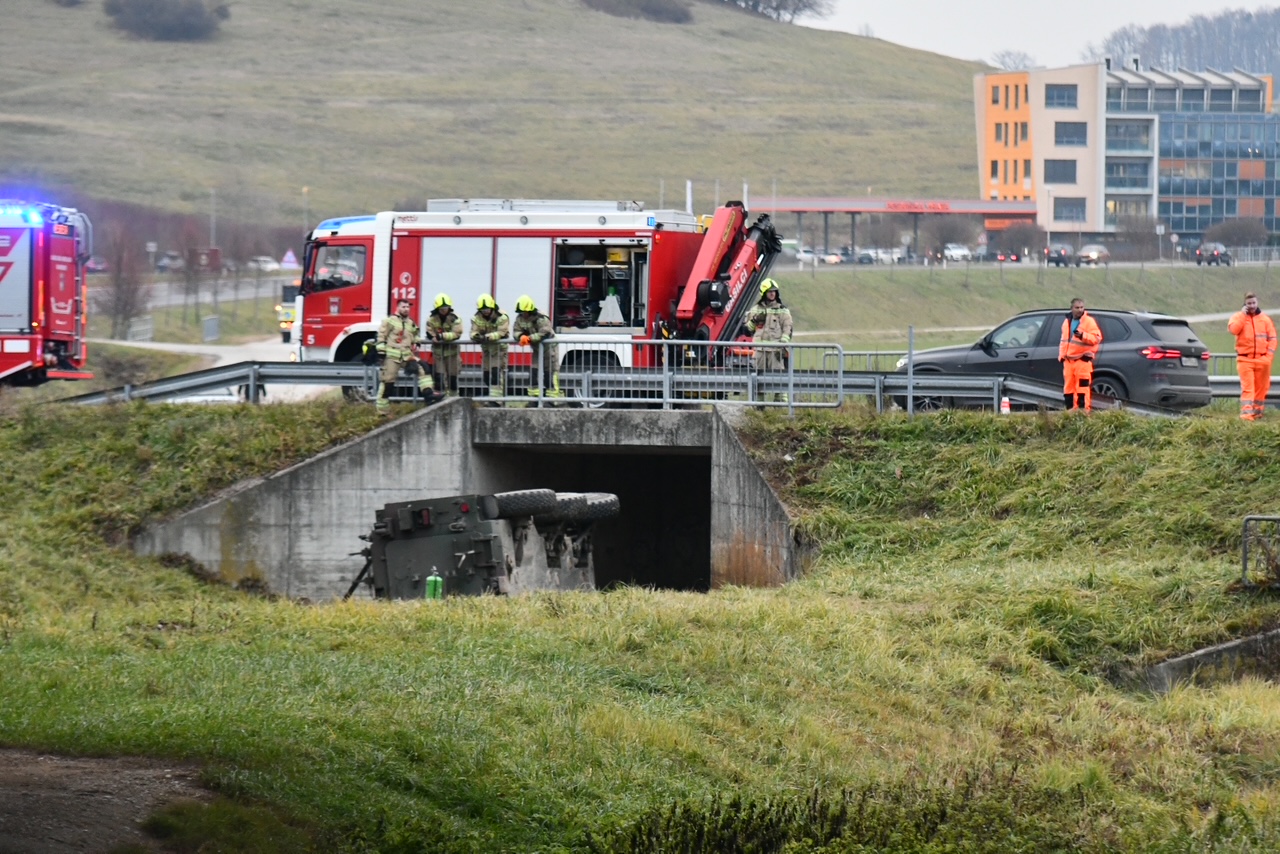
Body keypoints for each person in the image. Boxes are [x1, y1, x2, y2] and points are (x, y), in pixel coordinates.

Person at [371, 299, 442, 416]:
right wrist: (381, 352)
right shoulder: (390, 320)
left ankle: (429, 395)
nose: (406, 309)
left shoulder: (410, 323)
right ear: (398, 308)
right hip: (392, 357)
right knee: (387, 383)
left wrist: (417, 342)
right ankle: (382, 412)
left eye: (408, 307)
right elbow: (381, 336)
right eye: (403, 307)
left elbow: (415, 335)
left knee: (423, 368)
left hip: (407, 356)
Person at [1227, 291, 1277, 421]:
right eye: (1249, 303)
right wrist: (1243, 316)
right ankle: (1246, 415)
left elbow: (1273, 338)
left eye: (1254, 303)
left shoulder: (1265, 319)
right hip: (1245, 359)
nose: (1252, 306)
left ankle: (1257, 413)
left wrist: (1268, 357)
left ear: (1257, 302)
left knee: (1262, 388)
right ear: (1245, 304)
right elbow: (1233, 330)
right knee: (1248, 389)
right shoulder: (1238, 317)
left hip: (1262, 359)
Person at [745, 278, 793, 401]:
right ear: (764, 293)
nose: (772, 293)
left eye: (774, 291)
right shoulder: (755, 309)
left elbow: (788, 328)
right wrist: (755, 320)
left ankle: (781, 406)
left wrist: (783, 345)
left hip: (775, 351)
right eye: (770, 291)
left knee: (779, 379)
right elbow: (748, 329)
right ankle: (759, 407)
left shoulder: (782, 310)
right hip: (759, 351)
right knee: (758, 380)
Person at [512, 295, 560, 398]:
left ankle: (552, 399)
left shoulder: (541, 318)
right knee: (534, 372)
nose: (523, 314)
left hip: (549, 348)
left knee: (549, 373)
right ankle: (534, 398)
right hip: (537, 349)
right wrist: (521, 336)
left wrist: (529, 339)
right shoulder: (520, 318)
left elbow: (544, 332)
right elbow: (516, 331)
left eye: (525, 312)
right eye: (521, 312)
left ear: (530, 310)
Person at [1058, 297, 1102, 412]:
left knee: (1082, 388)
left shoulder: (1089, 321)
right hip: (1068, 361)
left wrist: (1083, 335)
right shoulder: (1066, 322)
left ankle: (1083, 413)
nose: (1080, 310)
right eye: (1077, 307)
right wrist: (1061, 356)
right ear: (1071, 308)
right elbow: (1063, 341)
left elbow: (1097, 338)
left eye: (1082, 307)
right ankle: (1070, 412)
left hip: (1082, 361)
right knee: (1068, 389)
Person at [470, 294, 510, 401]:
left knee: (496, 374)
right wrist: (476, 336)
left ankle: (497, 401)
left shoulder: (502, 317)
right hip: (487, 350)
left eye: (487, 309)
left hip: (499, 350)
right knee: (487, 375)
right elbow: (473, 331)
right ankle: (494, 397)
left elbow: (501, 332)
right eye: (483, 310)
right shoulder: (477, 318)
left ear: (492, 307)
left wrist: (487, 337)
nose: (485, 311)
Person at [425, 293, 464, 397]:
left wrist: (442, 336)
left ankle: (454, 399)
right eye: (441, 308)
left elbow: (457, 334)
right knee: (439, 379)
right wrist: (433, 337)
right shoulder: (432, 318)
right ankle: (442, 400)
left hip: (452, 354)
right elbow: (429, 331)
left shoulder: (455, 318)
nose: (444, 310)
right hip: (438, 354)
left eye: (445, 308)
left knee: (453, 379)